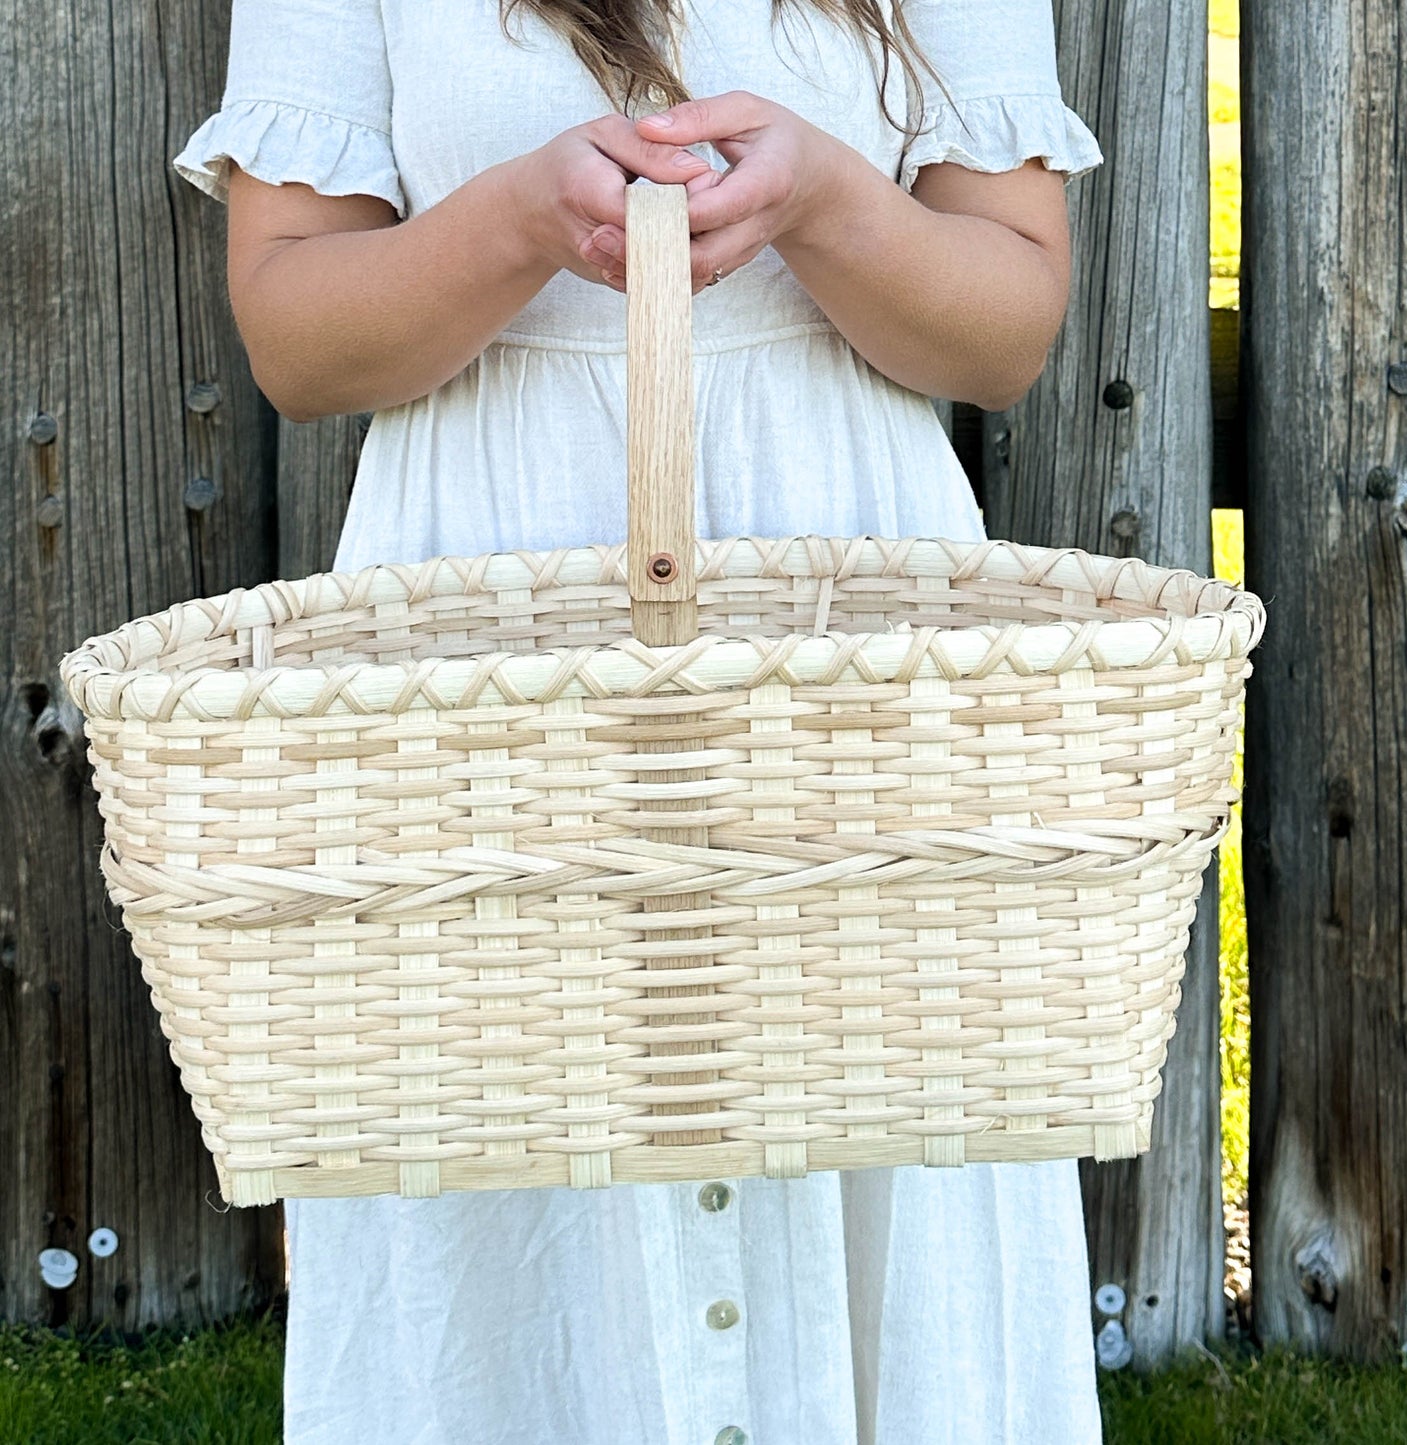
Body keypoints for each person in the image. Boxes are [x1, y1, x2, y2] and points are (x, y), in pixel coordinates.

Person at [175, 3, 1106, 1441]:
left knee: (866, 1107)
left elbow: (1005, 331)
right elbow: (300, 340)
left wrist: (822, 200)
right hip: (485, 640)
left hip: (841, 624)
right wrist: (514, 221)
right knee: (509, 1147)